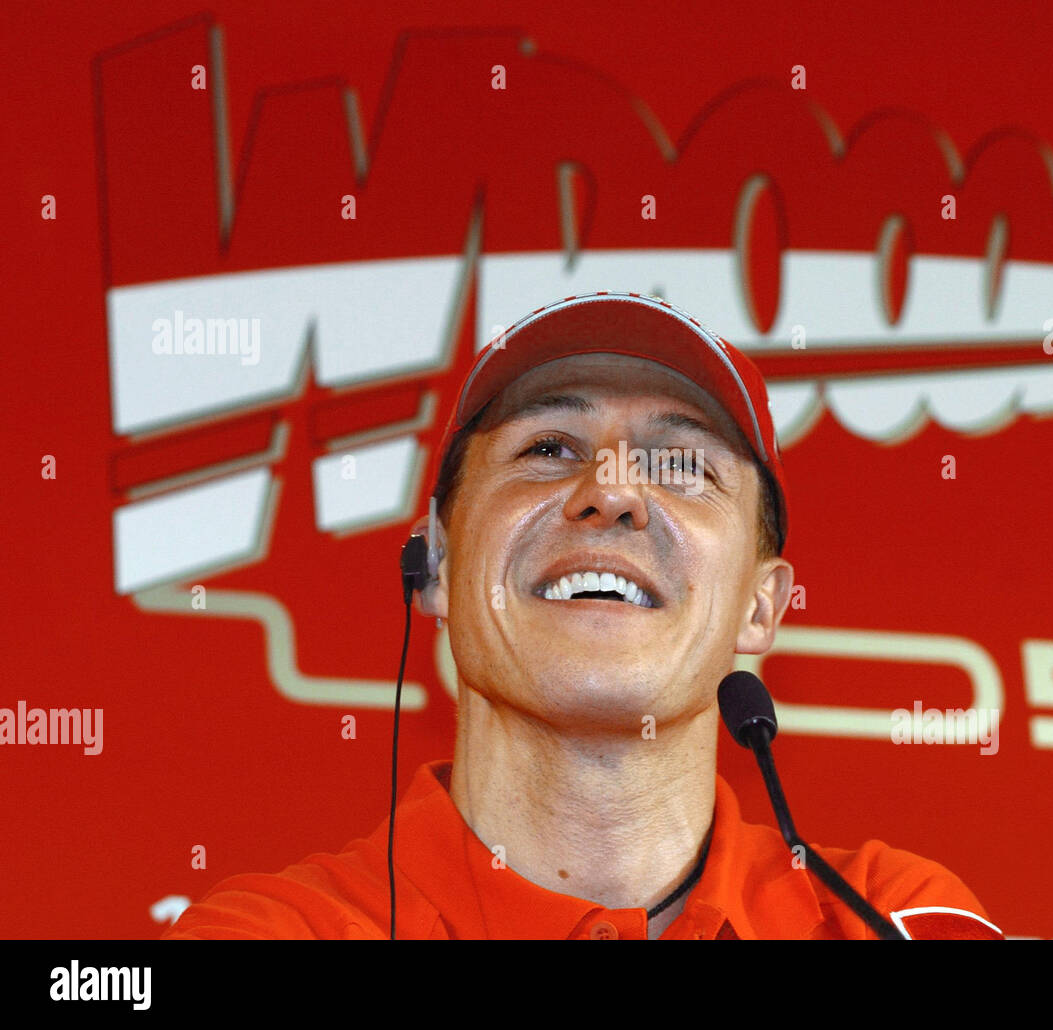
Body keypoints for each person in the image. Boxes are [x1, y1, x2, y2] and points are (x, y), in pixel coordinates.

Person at [163, 292, 1003, 940]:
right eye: (548, 448)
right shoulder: (277, 932)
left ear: (760, 606)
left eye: (681, 464)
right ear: (434, 568)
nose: (610, 491)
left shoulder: (889, 918)